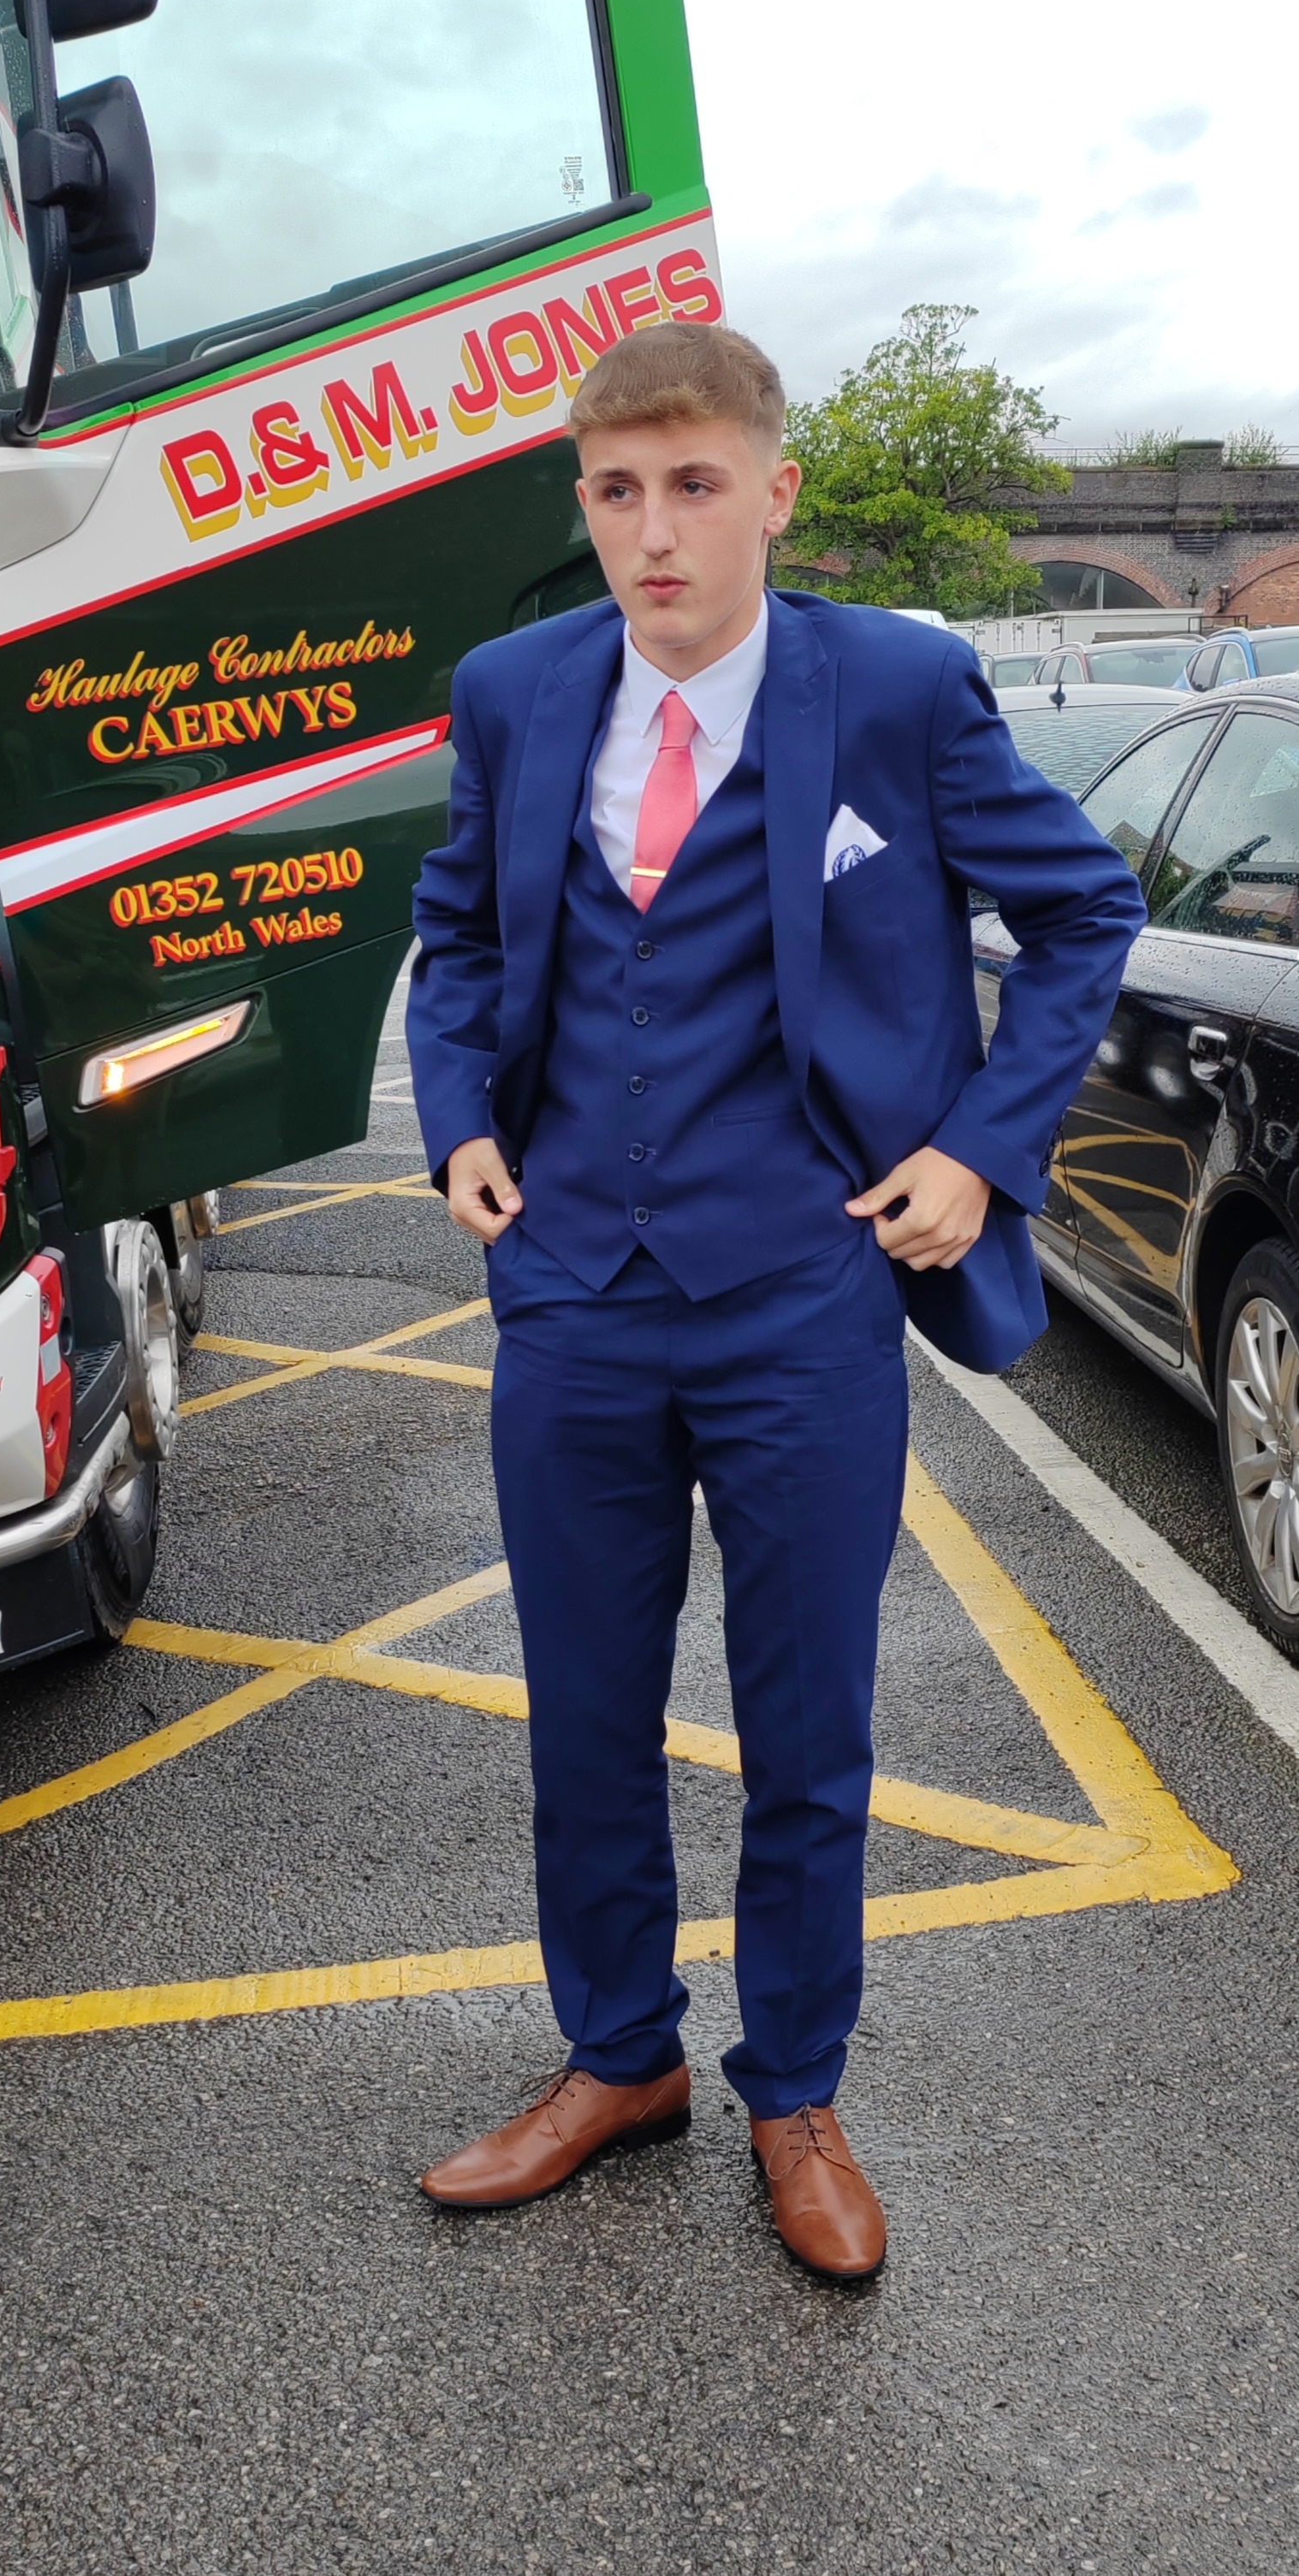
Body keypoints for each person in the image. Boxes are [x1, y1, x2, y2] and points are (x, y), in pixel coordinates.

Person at [406, 323, 1145, 2277]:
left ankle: (793, 2087)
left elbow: (1081, 910)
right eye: (615, 490)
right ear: (581, 499)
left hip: (801, 1289)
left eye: (693, 484)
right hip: (568, 1286)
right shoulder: (510, 691)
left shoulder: (892, 687)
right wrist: (458, 1120)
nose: (653, 532)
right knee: (581, 1709)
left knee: (805, 1717)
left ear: (771, 489)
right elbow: (458, 932)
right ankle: (615, 2057)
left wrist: (981, 1146)